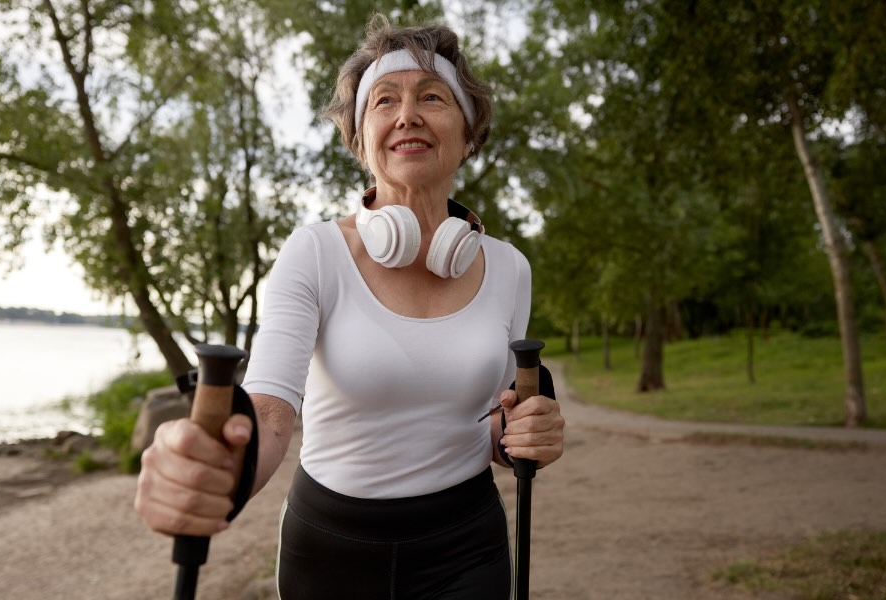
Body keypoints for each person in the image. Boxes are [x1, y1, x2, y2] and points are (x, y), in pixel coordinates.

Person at [134, 14, 565, 599]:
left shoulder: (510, 266)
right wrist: (215, 475)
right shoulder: (314, 252)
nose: (407, 114)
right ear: (361, 142)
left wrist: (524, 432)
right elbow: (271, 410)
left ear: (468, 134)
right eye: (383, 100)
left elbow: (493, 418)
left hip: (468, 546)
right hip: (330, 551)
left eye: (432, 97)